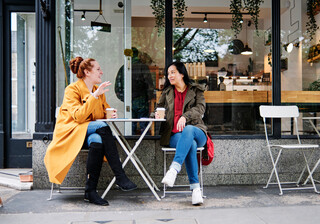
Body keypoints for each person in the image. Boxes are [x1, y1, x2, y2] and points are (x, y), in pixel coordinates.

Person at [44, 57, 137, 206]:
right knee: (102, 128)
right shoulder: (72, 90)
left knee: (98, 140)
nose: (101, 72)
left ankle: (90, 191)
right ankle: (120, 176)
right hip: (71, 132)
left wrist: (110, 112)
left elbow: (100, 115)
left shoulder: (96, 90)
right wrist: (94, 97)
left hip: (87, 132)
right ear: (87, 72)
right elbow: (79, 117)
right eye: (98, 69)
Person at [154, 62, 208, 205]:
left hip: (197, 130)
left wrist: (185, 116)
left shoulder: (196, 90)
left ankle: (174, 168)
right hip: (174, 135)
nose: (169, 76)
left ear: (182, 74)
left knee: (189, 131)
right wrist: (158, 114)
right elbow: (158, 108)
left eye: (173, 72)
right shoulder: (166, 93)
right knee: (191, 144)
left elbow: (201, 109)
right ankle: (196, 190)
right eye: (168, 73)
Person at [115, 47, 154, 134]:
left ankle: (129, 145)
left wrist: (124, 98)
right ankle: (146, 145)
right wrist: (149, 98)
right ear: (137, 55)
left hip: (129, 101)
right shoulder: (143, 67)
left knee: (129, 126)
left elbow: (117, 87)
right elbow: (149, 85)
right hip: (142, 101)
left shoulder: (123, 68)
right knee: (144, 126)